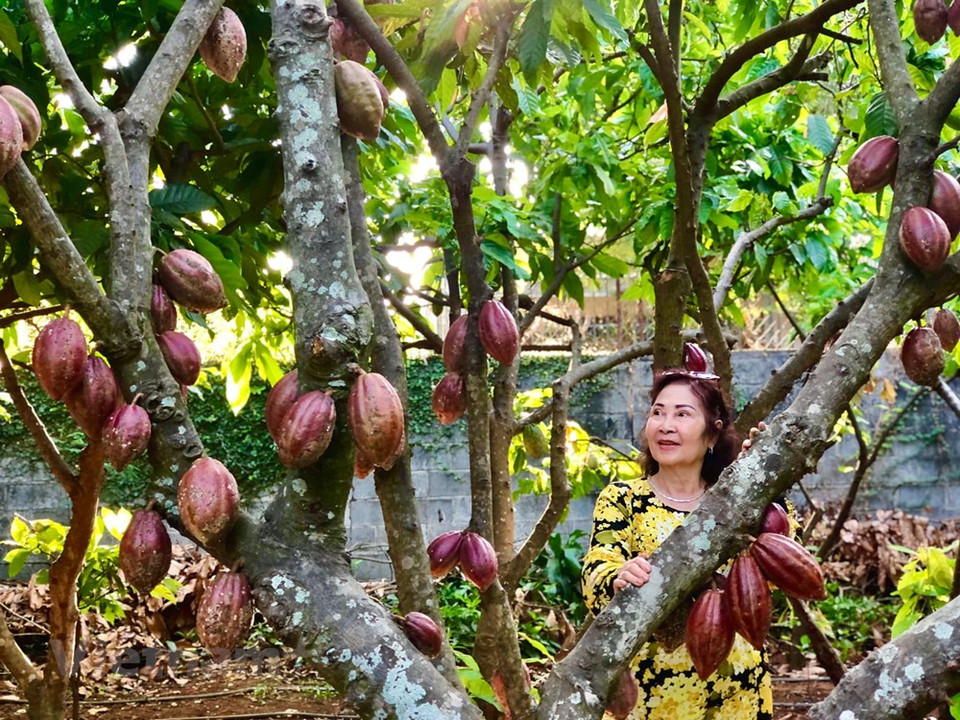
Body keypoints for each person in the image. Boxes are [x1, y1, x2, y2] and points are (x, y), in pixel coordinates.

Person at [581, 369, 772, 720]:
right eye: (658, 412)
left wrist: (759, 476)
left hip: (738, 692)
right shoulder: (623, 499)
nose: (665, 425)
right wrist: (618, 575)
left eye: (682, 414)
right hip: (650, 697)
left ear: (712, 431)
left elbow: (781, 556)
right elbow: (597, 571)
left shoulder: (736, 502)